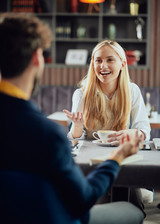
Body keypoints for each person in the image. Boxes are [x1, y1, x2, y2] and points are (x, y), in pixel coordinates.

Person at [0, 14, 144, 224]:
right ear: (37, 59)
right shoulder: (47, 135)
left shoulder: (131, 91)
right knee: (132, 210)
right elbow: (82, 200)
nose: (103, 65)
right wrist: (117, 158)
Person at [63, 40, 153, 212]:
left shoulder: (132, 90)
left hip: (124, 160)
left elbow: (144, 131)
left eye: (110, 59)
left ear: (122, 63)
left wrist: (132, 133)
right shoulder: (81, 94)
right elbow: (75, 139)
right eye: (98, 60)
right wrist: (77, 126)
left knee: (132, 206)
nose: (103, 65)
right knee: (99, 205)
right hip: (91, 163)